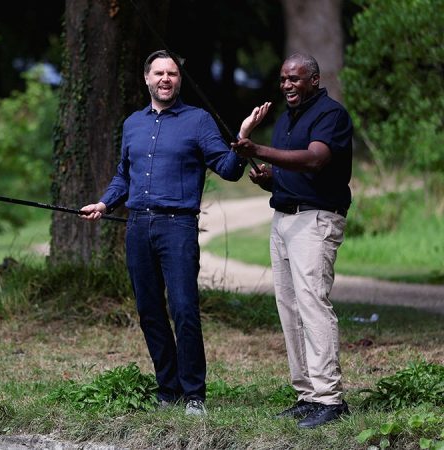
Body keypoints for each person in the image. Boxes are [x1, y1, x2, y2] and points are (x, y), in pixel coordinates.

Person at [80, 50, 269, 416]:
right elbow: (123, 175)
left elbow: (228, 169)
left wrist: (243, 137)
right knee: (149, 311)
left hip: (177, 227)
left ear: (179, 80)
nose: (165, 79)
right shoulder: (132, 124)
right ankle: (169, 391)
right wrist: (104, 203)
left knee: (183, 309)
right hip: (137, 226)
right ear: (146, 78)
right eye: (159, 73)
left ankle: (194, 394)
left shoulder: (198, 121)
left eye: (172, 74)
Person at [231, 53, 353, 428]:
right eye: (284, 79)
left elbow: (315, 160)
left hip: (315, 219)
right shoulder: (285, 119)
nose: (287, 85)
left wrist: (257, 149)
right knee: (290, 308)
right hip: (283, 218)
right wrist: (269, 178)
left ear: (314, 80)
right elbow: (291, 172)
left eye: (295, 79)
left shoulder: (331, 115)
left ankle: (330, 399)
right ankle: (307, 395)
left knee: (313, 305)